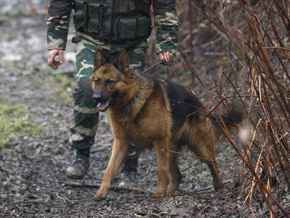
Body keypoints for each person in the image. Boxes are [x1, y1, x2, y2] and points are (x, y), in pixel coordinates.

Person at [46, 0, 179, 186]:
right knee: (87, 89)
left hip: (131, 43)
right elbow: (61, 2)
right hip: (91, 38)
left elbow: (163, 3)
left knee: (132, 100)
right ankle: (81, 153)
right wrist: (55, 43)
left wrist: (167, 42)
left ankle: (129, 166)